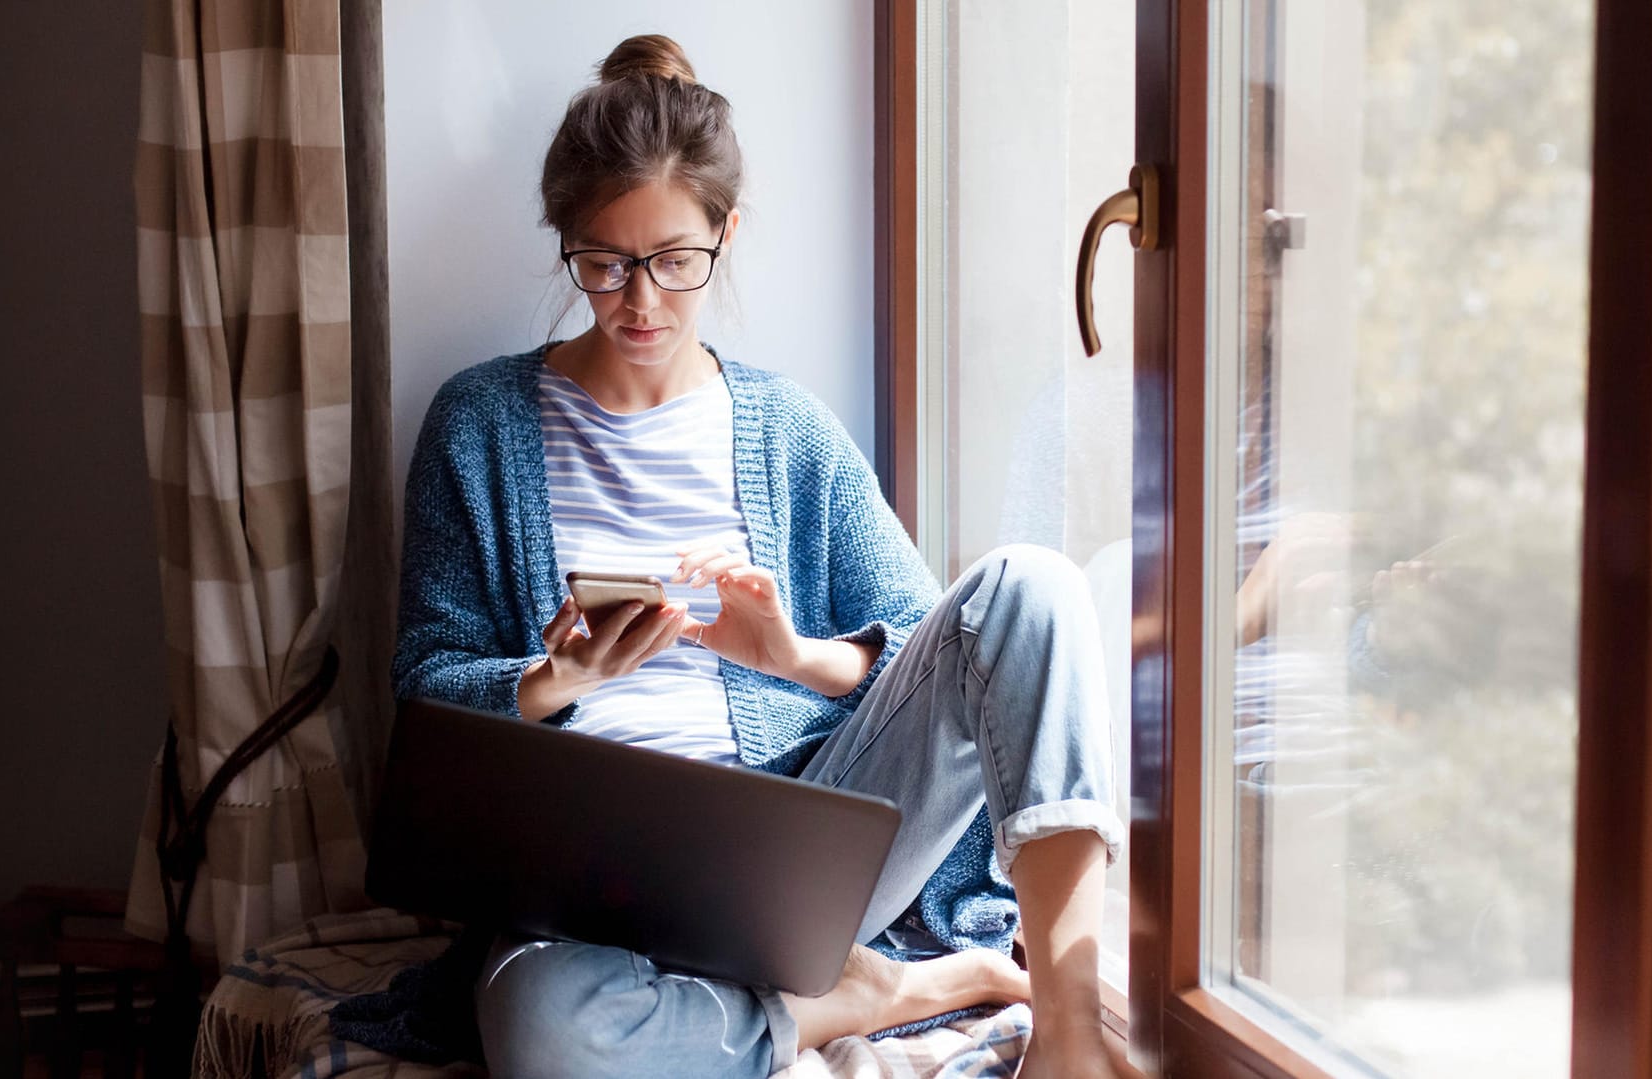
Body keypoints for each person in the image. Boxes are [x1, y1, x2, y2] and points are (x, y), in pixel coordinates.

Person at [393, 34, 1129, 1079]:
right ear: (564, 242)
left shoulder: (786, 427)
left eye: (674, 262)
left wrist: (793, 654)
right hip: (584, 891)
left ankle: (1069, 1037)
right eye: (603, 264)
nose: (640, 301)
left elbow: (947, 650)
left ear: (726, 234)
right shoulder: (478, 423)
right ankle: (868, 995)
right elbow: (421, 691)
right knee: (543, 1033)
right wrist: (552, 680)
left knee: (1034, 589)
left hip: (797, 856)